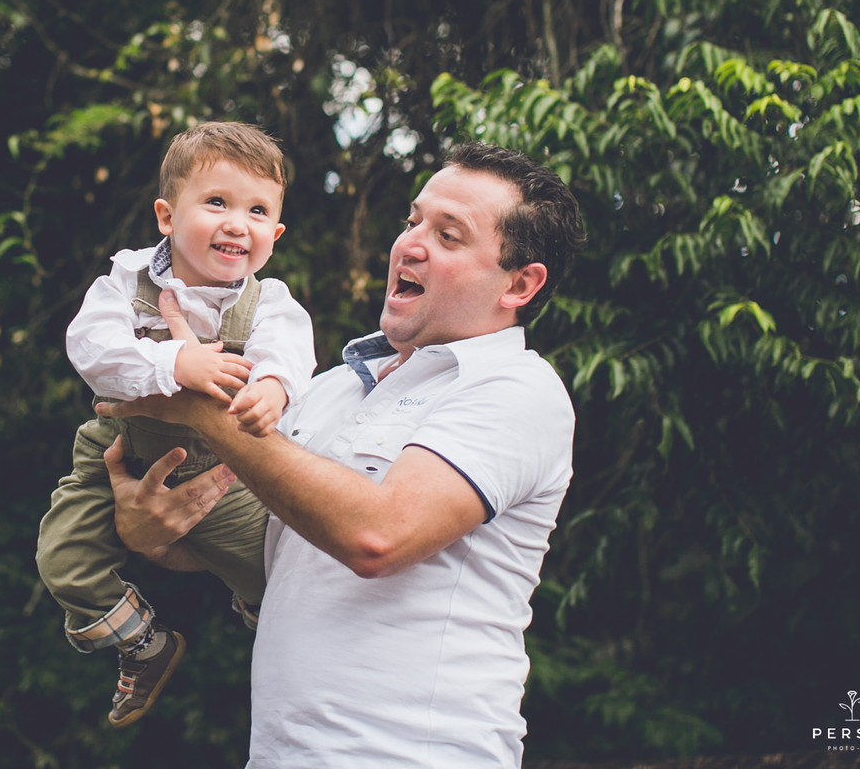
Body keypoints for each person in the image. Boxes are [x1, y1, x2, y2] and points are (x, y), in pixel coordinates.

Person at [101, 141, 588, 766]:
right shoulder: (324, 388)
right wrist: (156, 536)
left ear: (519, 283)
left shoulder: (518, 389)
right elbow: (274, 552)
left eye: (448, 235)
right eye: (413, 221)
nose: (410, 244)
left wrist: (197, 406)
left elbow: (377, 537)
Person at [36, 121, 316, 729]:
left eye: (258, 210)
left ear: (276, 232)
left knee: (279, 582)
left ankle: (270, 628)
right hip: (116, 449)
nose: (237, 222)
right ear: (167, 215)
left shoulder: (268, 302)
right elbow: (91, 350)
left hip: (225, 468)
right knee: (62, 560)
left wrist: (274, 387)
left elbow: (289, 353)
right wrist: (176, 362)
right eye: (216, 202)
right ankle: (144, 644)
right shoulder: (127, 281)